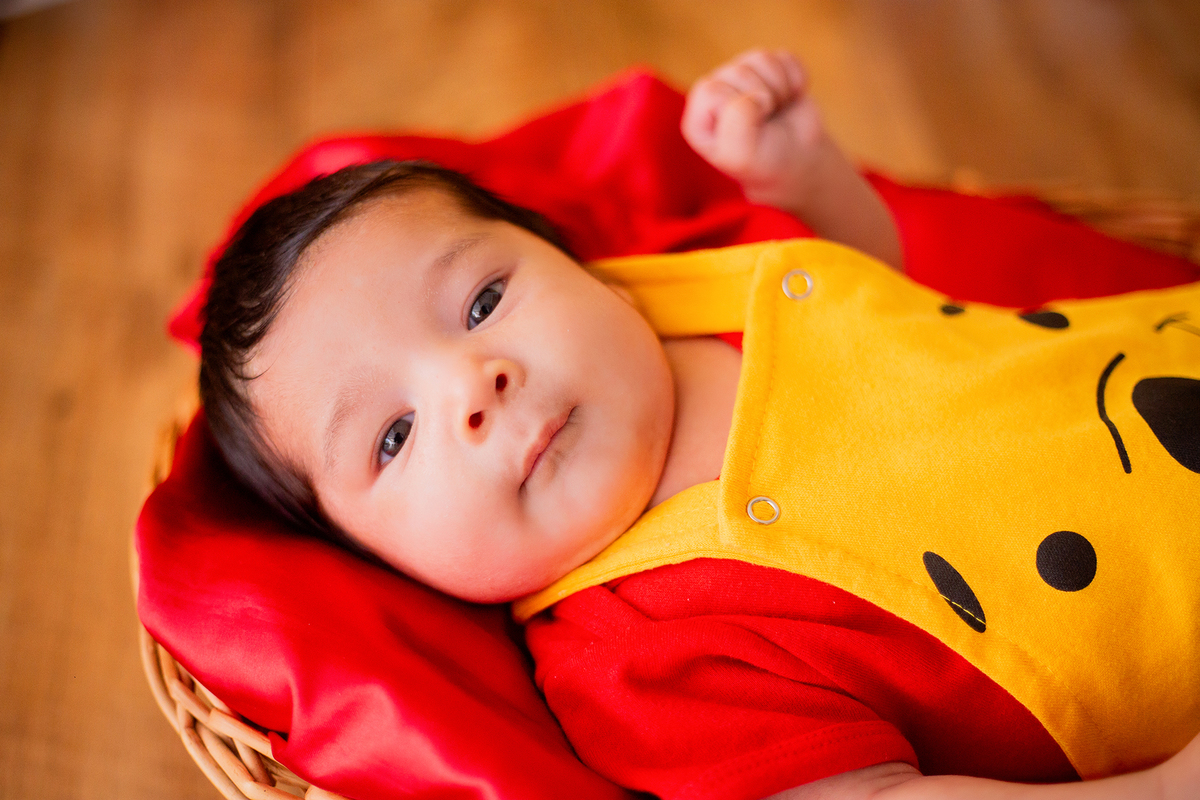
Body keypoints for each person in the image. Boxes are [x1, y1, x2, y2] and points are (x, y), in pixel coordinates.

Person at [197, 49, 1200, 800]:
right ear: (383, 562)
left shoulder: (688, 286)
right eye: (391, 437)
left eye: (482, 300)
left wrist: (808, 178)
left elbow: (902, 296)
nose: (474, 382)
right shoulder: (640, 664)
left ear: (579, 266)